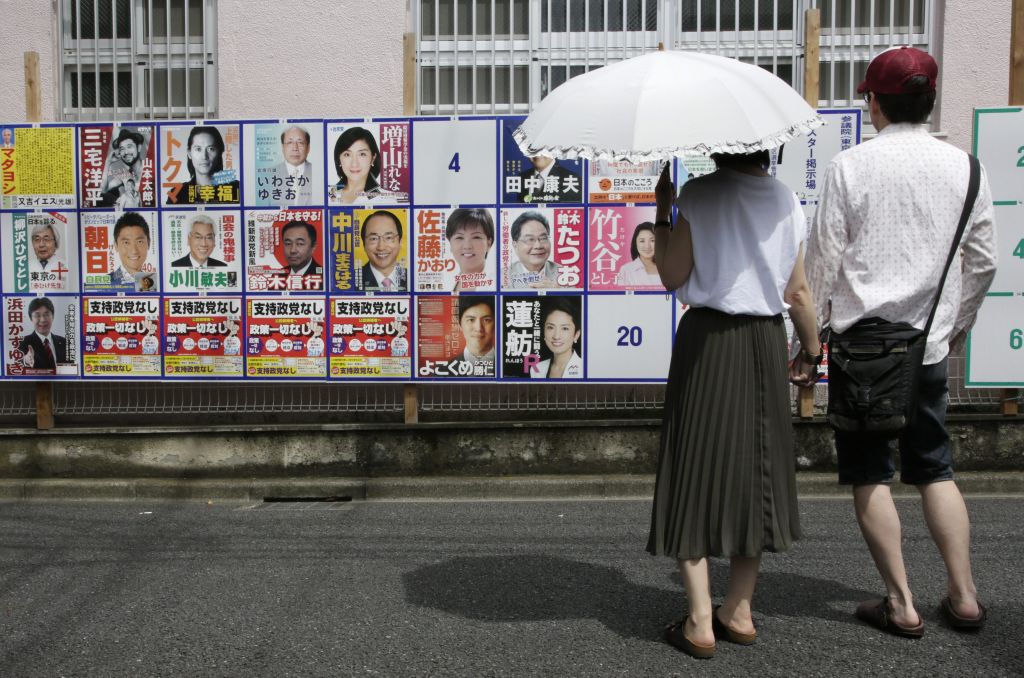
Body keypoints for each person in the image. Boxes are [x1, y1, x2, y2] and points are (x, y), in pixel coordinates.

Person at [803, 46, 996, 638]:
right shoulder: (966, 168)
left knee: (870, 475)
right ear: (931, 100)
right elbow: (984, 262)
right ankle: (963, 596)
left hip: (861, 353)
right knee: (935, 469)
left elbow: (820, 267)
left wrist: (808, 345)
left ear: (875, 102)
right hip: (929, 348)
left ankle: (901, 601)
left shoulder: (851, 167)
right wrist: (952, 327)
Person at [646, 153, 821, 659]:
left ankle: (701, 620)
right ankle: (739, 610)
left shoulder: (699, 194)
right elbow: (799, 292)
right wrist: (812, 351)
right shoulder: (787, 198)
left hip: (707, 341)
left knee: (692, 468)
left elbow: (672, 275)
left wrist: (663, 212)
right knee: (757, 469)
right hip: (765, 341)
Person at [167, 126, 239, 204]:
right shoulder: (176, 194)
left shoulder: (237, 188)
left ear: (219, 152)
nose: (204, 156)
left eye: (211, 149)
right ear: (189, 153)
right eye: (198, 149)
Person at [530, 296, 583, 379]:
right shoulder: (536, 369)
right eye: (550, 327)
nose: (556, 336)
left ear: (576, 335)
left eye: (565, 328)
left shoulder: (585, 369)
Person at [507, 211, 560, 289]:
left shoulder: (566, 274)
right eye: (530, 239)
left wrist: (558, 292)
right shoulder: (501, 277)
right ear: (515, 245)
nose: (538, 246)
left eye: (543, 238)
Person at [446, 208, 494, 291]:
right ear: (450, 243)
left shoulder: (499, 282)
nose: (467, 246)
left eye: (476, 237)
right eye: (459, 237)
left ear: (488, 243)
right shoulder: (444, 282)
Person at [330, 127, 382, 204]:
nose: (354, 163)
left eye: (362, 154)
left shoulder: (385, 198)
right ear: (339, 159)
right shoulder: (328, 194)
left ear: (373, 158)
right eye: (347, 154)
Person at [359, 211, 407, 291]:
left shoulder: (413, 277)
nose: (381, 247)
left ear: (400, 242)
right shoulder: (350, 281)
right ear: (364, 244)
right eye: (373, 238)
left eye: (388, 237)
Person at [447, 296, 495, 375]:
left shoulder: (516, 367)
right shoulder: (443, 370)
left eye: (486, 320)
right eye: (471, 320)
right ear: (459, 325)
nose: (479, 328)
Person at [18, 297, 68, 372]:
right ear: (31, 318)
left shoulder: (64, 342)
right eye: (37, 315)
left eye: (46, 314)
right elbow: (16, 364)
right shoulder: (22, 342)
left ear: (53, 316)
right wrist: (26, 361)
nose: (42, 320)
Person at [99, 128, 146, 208]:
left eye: (129, 146)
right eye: (122, 149)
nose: (126, 152)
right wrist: (108, 162)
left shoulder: (149, 167)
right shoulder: (124, 175)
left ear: (138, 148)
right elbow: (102, 190)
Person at [269, 125, 313, 205]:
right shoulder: (269, 175)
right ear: (282, 147)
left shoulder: (318, 172)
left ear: (308, 147)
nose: (295, 148)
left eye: (300, 143)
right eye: (289, 142)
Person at [109, 212, 155, 288]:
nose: (134, 251)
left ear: (148, 243)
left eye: (139, 242)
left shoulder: (153, 283)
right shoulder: (104, 284)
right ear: (116, 245)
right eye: (126, 242)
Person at [614, 222, 663, 288]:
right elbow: (621, 297)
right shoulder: (626, 270)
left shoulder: (666, 268)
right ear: (635, 243)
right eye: (642, 241)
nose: (647, 246)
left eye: (652, 240)